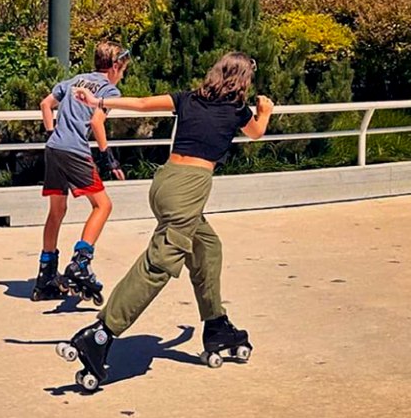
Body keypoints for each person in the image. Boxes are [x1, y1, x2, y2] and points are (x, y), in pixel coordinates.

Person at [58, 51, 274, 391]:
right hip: (188, 191)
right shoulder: (237, 110)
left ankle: (215, 323)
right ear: (244, 81)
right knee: (158, 265)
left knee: (207, 247)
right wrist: (265, 111)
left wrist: (97, 98)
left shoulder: (188, 99)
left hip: (165, 183)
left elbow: (143, 103)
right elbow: (257, 133)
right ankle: (101, 333)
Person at [31, 41, 130, 304]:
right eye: (123, 69)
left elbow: (45, 104)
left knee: (56, 211)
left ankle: (45, 278)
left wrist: (53, 133)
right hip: (75, 150)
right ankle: (81, 262)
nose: (123, 75)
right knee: (103, 206)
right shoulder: (110, 90)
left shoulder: (74, 80)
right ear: (115, 66)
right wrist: (109, 158)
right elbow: (97, 122)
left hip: (53, 149)